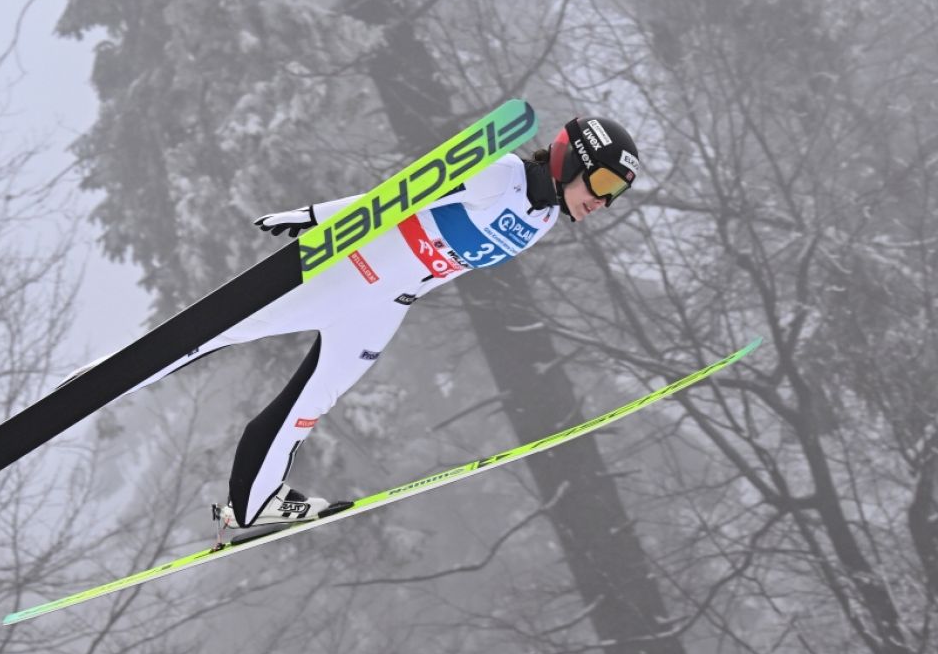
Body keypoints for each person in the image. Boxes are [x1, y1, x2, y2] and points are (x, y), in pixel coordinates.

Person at [73, 115, 640, 532]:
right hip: (348, 272)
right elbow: (396, 198)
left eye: (615, 195)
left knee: (309, 405)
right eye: (604, 185)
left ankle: (253, 501)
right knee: (213, 334)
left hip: (384, 306)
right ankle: (87, 385)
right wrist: (319, 217)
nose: (603, 203)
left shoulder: (541, 219)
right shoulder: (500, 176)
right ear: (572, 161)